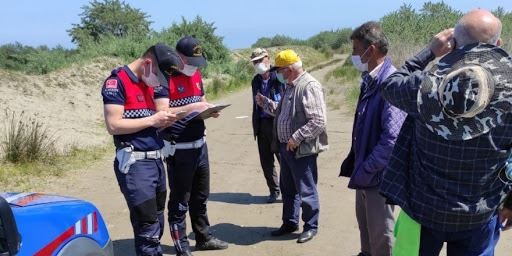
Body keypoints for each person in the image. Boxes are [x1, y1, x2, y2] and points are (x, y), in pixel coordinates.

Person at [378, 9, 512, 255]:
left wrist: (429, 51)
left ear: (453, 44)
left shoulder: (425, 86)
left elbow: (389, 84)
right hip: (480, 213)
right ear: (498, 45)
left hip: (423, 210)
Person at [101, 43, 183, 256]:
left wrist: (165, 120)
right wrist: (153, 119)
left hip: (156, 160)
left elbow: (149, 121)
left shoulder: (149, 82)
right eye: (158, 75)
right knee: (147, 224)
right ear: (147, 63)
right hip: (135, 163)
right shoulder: (117, 81)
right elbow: (114, 125)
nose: (159, 83)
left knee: (157, 218)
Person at [154, 36, 228, 256]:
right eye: (191, 62)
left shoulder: (195, 73)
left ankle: (203, 237)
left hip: (200, 144)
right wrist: (191, 107)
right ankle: (181, 246)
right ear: (179, 57)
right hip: (179, 148)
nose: (194, 68)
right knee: (180, 200)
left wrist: (208, 109)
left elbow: (202, 99)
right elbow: (162, 113)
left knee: (200, 196)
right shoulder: (163, 77)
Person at [340, 21, 406, 256]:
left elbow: (392, 139)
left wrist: (366, 169)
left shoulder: (390, 82)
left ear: (373, 49)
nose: (354, 56)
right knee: (367, 231)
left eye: (356, 50)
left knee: (382, 236)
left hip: (378, 177)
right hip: (366, 173)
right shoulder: (371, 79)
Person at [256, 49, 328, 244]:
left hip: (300, 148)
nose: (276, 73)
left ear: (289, 69)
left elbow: (318, 121)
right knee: (288, 189)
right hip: (285, 148)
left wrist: (296, 138)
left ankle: (311, 226)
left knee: (306, 189)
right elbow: (283, 113)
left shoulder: (309, 85)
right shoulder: (289, 85)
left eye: (279, 70)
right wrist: (266, 104)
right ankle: (289, 222)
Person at [250, 47, 284, 203]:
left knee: (284, 160)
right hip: (261, 124)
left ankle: (289, 190)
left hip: (277, 124)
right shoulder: (255, 81)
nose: (257, 64)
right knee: (266, 162)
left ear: (268, 59)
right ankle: (273, 190)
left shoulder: (279, 77)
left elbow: (284, 103)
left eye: (260, 60)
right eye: (254, 62)